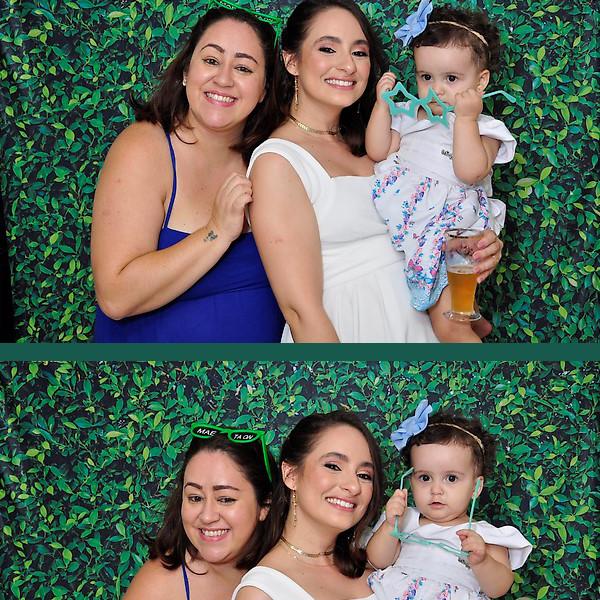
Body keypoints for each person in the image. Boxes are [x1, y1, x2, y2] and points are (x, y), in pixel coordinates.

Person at [248, 0, 504, 343]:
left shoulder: (383, 143)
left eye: (359, 52)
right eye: (328, 48)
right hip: (354, 332)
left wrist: (478, 246)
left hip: (424, 329)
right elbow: (300, 311)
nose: (347, 65)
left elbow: (421, 226)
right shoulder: (277, 162)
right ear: (291, 60)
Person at [91, 6, 285, 342]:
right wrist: (216, 232)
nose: (224, 79)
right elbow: (116, 297)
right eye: (211, 60)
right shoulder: (144, 148)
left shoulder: (272, 158)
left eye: (243, 67)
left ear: (264, 90)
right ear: (185, 71)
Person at [366, 1, 516, 342]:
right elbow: (378, 150)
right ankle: (474, 320)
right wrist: (382, 106)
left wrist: (465, 119)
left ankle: (469, 341)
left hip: (453, 228)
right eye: (426, 77)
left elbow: (469, 171)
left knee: (447, 321)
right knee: (449, 303)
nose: (436, 89)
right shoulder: (409, 114)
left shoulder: (485, 128)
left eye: (451, 78)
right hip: (418, 226)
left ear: (480, 82)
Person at [366, 402, 532, 599]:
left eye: (451, 478)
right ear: (411, 482)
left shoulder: (483, 535)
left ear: (476, 487)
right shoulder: (405, 520)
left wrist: (482, 561)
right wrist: (390, 525)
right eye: (425, 478)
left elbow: (498, 588)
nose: (436, 490)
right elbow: (377, 561)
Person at [232, 410, 384, 599]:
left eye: (364, 475)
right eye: (333, 466)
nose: (353, 486)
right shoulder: (261, 592)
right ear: (291, 475)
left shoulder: (380, 565)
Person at [123, 423, 276, 600]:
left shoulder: (288, 572)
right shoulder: (156, 588)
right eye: (195, 498)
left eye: (225, 499)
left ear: (265, 505)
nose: (207, 516)